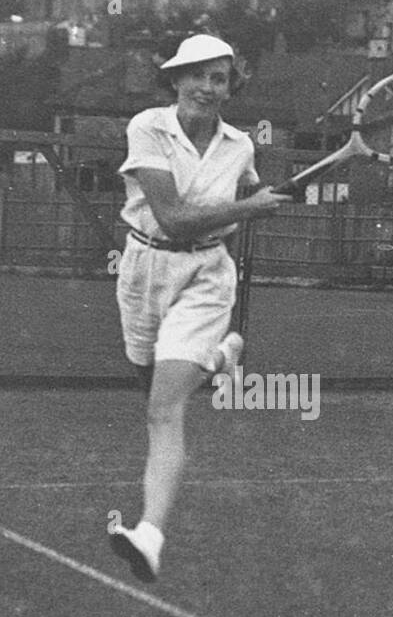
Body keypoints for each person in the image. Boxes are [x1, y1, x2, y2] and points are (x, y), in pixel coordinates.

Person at [108, 34, 292, 581]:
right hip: (143, 267)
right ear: (176, 79)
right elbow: (171, 216)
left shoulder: (240, 146)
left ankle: (150, 535)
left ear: (230, 88)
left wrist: (254, 204)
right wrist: (249, 207)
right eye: (197, 75)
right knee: (148, 383)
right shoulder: (147, 127)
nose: (207, 88)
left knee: (164, 409)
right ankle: (219, 360)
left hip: (207, 275)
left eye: (219, 78)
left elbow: (244, 198)